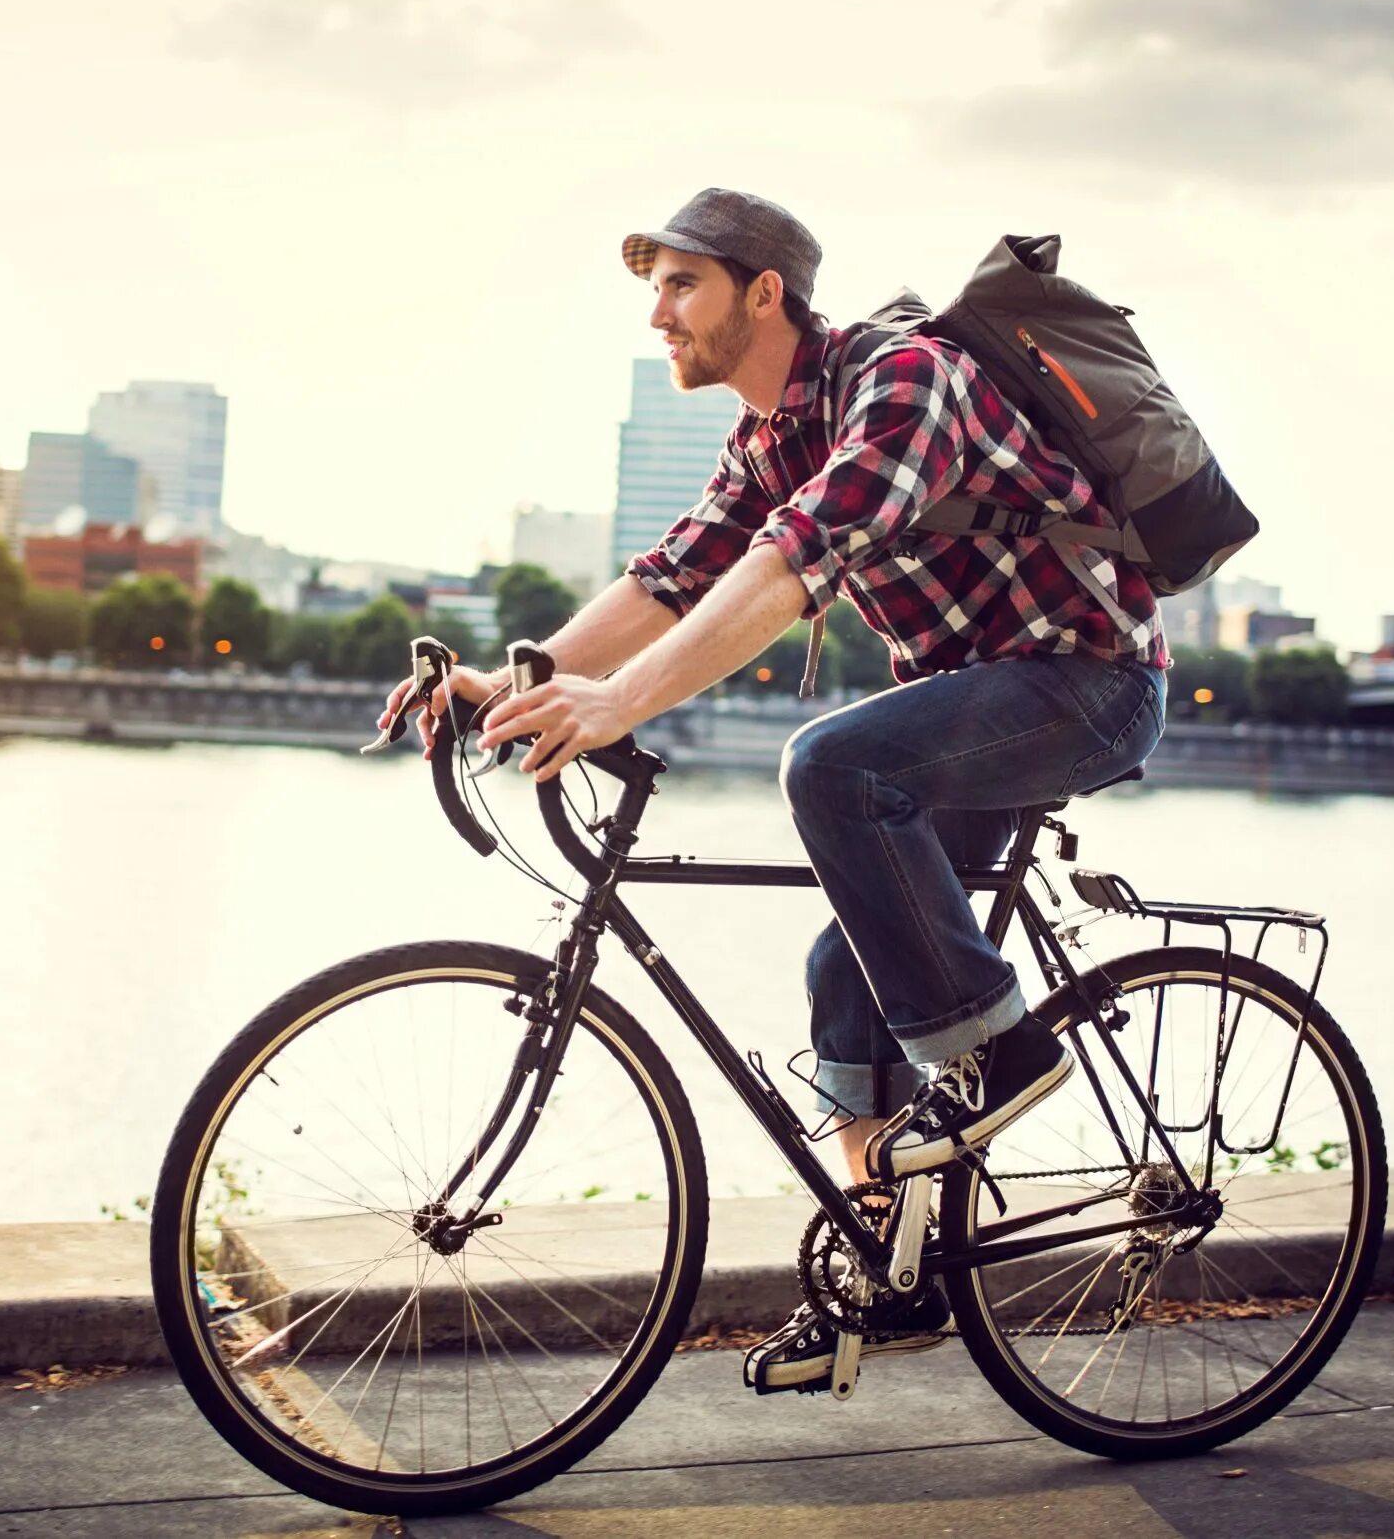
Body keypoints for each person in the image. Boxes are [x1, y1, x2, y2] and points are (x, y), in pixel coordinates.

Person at [382, 187, 1168, 1394]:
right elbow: (672, 577)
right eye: (653, 288)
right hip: (974, 710)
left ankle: (1004, 1061)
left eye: (681, 284)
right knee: (843, 974)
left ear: (765, 293)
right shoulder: (764, 438)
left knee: (832, 763)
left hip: (1085, 687)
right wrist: (516, 682)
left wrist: (622, 705)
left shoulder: (903, 379)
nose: (657, 313)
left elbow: (796, 561)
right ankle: (899, 1281)